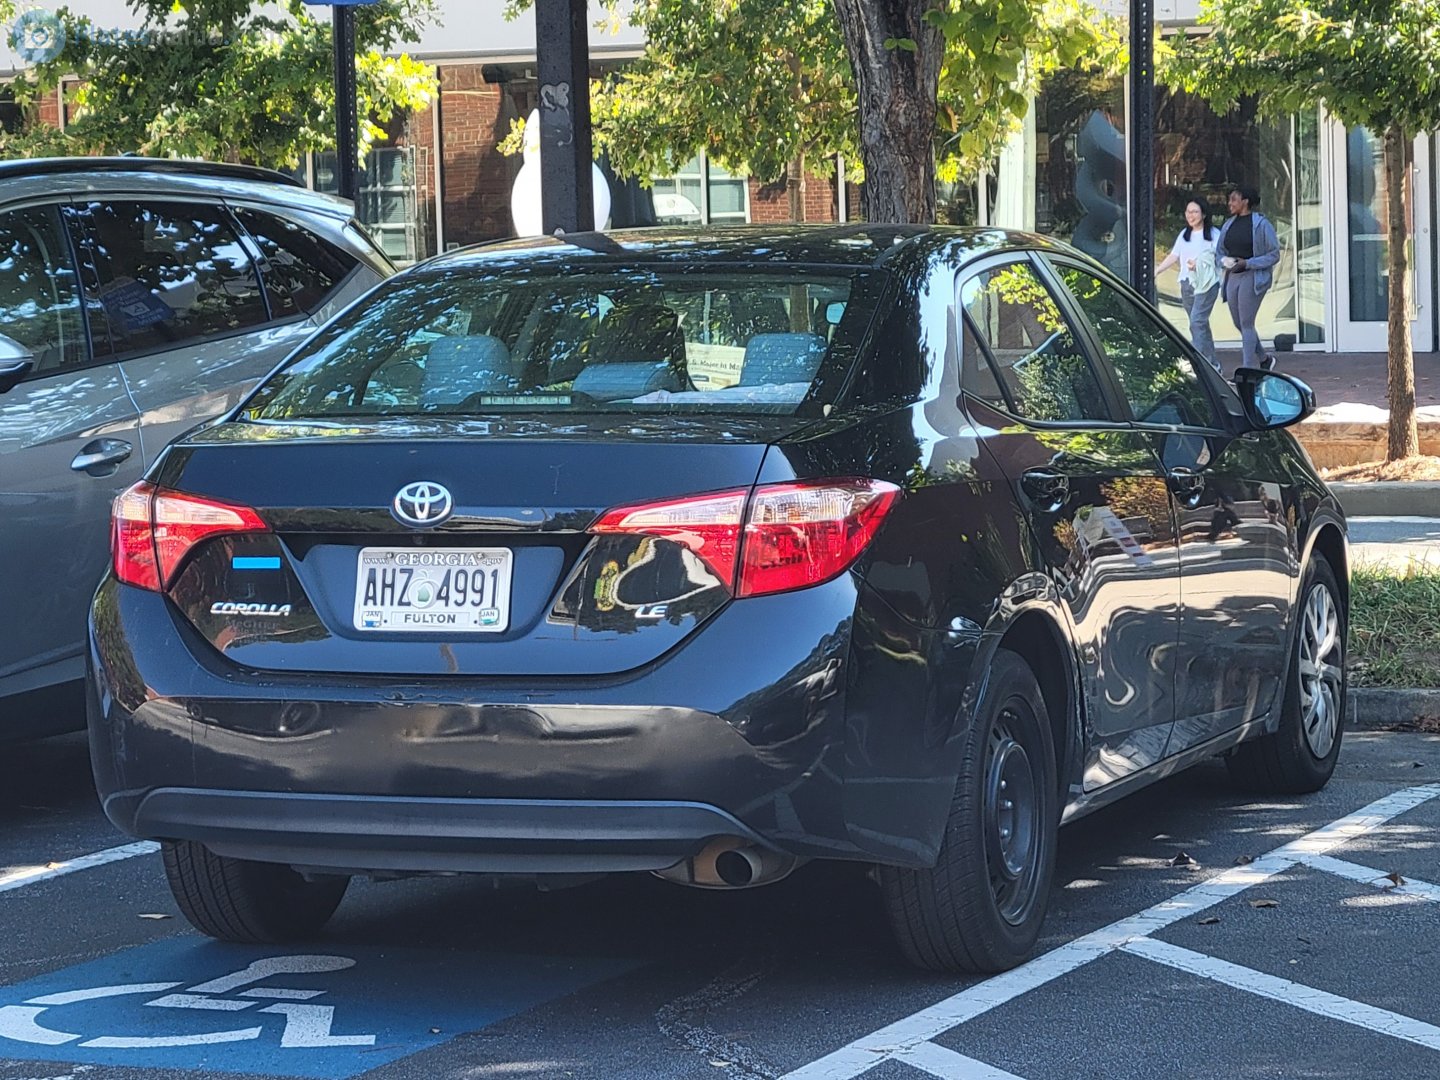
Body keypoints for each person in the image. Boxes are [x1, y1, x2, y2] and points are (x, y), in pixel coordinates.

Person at [1215, 185, 1281, 369]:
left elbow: (1274, 254)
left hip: (1252, 277)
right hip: (1232, 276)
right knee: (1239, 323)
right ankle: (1264, 359)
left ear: (1245, 201)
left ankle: (1248, 370)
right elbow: (1219, 251)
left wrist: (1248, 263)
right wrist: (1224, 261)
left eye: (1234, 199)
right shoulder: (1228, 224)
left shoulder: (1261, 224)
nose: (1230, 203)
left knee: (1246, 323)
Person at [1154, 196, 1220, 371]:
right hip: (1187, 283)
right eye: (1188, 212)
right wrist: (1158, 270)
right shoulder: (1184, 235)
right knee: (1199, 323)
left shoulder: (1214, 235)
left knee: (1197, 322)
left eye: (1195, 212)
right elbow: (1174, 256)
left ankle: (1198, 365)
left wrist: (1198, 263)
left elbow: (1219, 259)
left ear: (1204, 214)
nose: (1191, 215)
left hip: (1206, 284)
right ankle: (1213, 365)